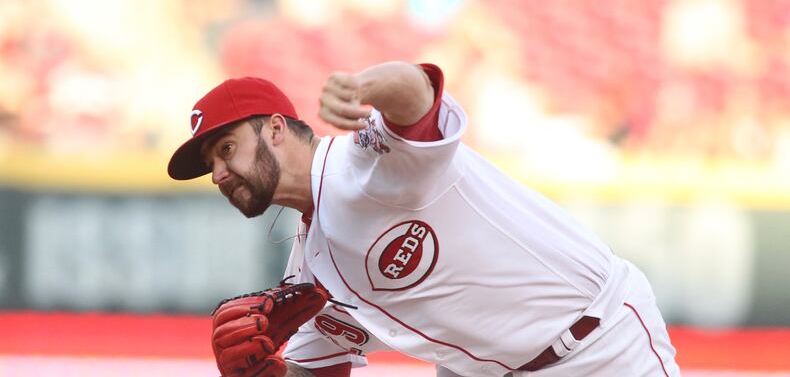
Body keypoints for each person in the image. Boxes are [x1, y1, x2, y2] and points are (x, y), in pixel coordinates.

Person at [168, 62, 680, 377]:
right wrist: (265, 373)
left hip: (600, 343)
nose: (217, 173)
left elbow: (416, 91)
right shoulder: (308, 274)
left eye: (226, 149)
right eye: (210, 163)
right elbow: (315, 370)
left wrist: (363, 85)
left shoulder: (368, 161)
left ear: (276, 129)